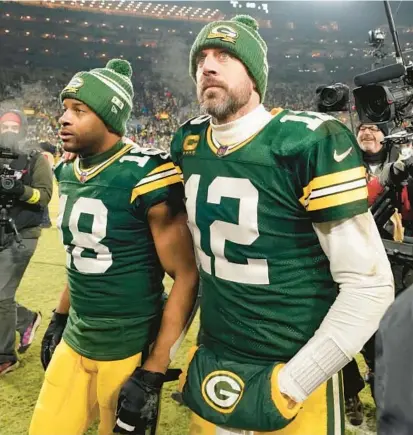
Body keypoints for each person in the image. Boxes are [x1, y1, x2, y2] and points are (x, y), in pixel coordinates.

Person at [168, 15, 394, 435]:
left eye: (225, 57)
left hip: (291, 366)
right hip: (216, 359)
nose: (207, 67)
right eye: (200, 59)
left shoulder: (308, 139)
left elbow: (371, 286)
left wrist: (293, 384)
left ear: (255, 75)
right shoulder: (188, 141)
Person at [29, 59, 199, 435]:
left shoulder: (145, 174)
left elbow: (187, 276)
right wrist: (59, 317)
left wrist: (154, 370)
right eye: (64, 108)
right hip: (77, 335)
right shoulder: (67, 172)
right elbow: (82, 256)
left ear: (109, 117)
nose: (63, 118)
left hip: (127, 344)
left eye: (79, 110)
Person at [0, 110, 53, 375]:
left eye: (14, 125)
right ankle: (26, 319)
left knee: (2, 294)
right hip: (1, 230)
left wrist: (19, 190)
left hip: (23, 234)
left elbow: (44, 197)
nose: (9, 129)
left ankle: (4, 357)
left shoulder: (35, 158)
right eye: (4, 125)